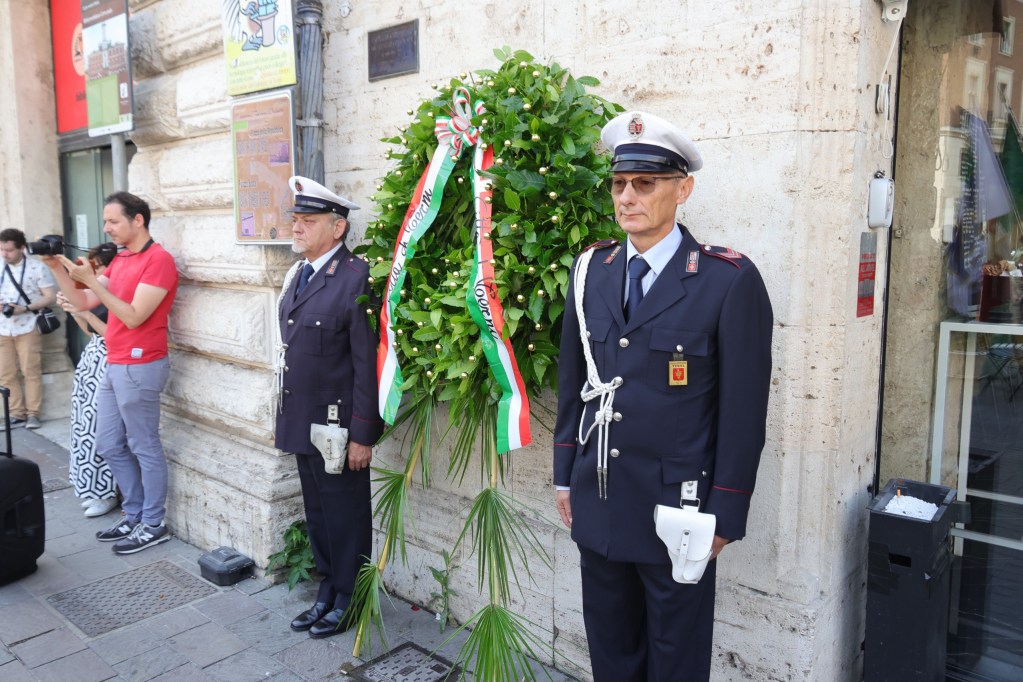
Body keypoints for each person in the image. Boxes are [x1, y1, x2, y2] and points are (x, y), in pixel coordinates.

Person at [553, 111, 773, 681]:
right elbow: (576, 380)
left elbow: (743, 413)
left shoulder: (727, 281)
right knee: (612, 654)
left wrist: (726, 512)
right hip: (600, 499)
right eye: (620, 184)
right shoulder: (591, 271)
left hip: (681, 512)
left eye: (645, 183)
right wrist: (563, 474)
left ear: (683, 189)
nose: (627, 197)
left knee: (676, 662)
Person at [275, 176, 383, 639]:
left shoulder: (356, 278)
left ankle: (350, 597)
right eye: (296, 220)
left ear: (337, 228)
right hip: (303, 419)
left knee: (346, 516)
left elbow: (366, 364)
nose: (297, 228)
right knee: (318, 514)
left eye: (309, 221)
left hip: (339, 427)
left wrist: (363, 433)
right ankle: (327, 590)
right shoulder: (297, 275)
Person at [42, 192, 179, 555]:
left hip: (141, 363)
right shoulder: (121, 259)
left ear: (138, 221)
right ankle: (133, 514)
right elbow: (84, 301)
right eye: (105, 222)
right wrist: (56, 266)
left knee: (143, 445)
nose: (107, 228)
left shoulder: (158, 260)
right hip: (116, 362)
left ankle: (153, 523)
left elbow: (134, 315)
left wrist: (96, 281)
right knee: (108, 443)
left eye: (114, 221)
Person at [59, 243, 120, 518]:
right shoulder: (97, 293)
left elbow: (111, 334)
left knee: (99, 425)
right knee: (83, 423)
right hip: (93, 358)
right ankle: (91, 489)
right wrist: (74, 309)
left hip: (110, 360)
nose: (93, 272)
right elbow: (89, 331)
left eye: (97, 267)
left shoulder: (115, 293)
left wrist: (82, 311)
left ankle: (105, 492)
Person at [0, 228, 57, 430]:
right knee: (6, 374)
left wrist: (25, 308)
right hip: (3, 328)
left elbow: (50, 296)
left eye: (9, 250)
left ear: (22, 248)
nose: (5, 254)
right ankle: (16, 413)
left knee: (30, 371)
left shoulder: (37, 267)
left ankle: (33, 414)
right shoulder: (0, 266)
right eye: (2, 250)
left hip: (28, 325)